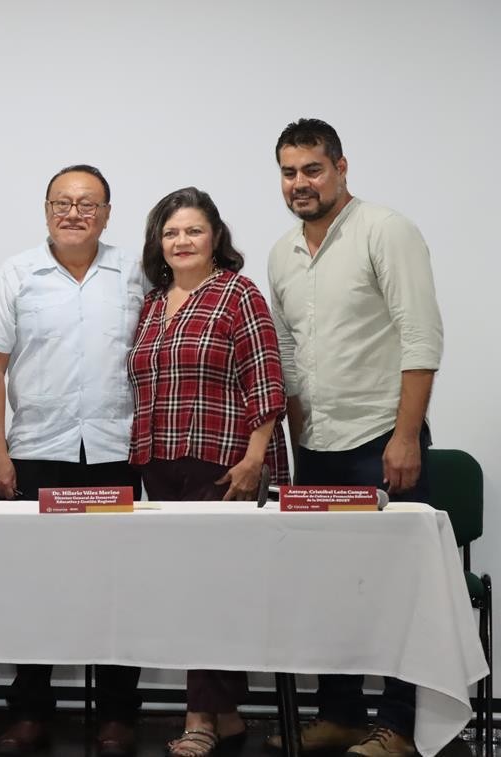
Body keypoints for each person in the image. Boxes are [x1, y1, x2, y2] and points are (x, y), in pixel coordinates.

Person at [265, 119, 443, 757]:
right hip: (315, 445)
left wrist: (406, 436)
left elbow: (421, 335)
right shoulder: (282, 251)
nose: (300, 183)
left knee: (395, 587)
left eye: (312, 169)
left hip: (379, 439)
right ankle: (339, 713)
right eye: (289, 171)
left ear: (341, 167)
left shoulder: (384, 230)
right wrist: (287, 442)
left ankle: (396, 726)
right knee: (331, 586)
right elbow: (286, 354)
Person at [0, 164, 149, 757]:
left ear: (107, 212)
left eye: (88, 203)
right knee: (37, 587)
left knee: (117, 588)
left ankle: (118, 716)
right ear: (46, 209)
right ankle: (29, 712)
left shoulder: (136, 273)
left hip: (115, 451)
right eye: (62, 202)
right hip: (38, 453)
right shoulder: (18, 273)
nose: (74, 213)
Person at [127, 186, 289, 757]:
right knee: (186, 590)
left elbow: (267, 380)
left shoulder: (237, 294)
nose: (181, 241)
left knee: (211, 591)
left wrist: (254, 459)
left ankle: (198, 717)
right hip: (158, 462)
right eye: (171, 232)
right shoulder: (151, 304)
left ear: (215, 236)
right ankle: (228, 716)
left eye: (193, 230)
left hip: (223, 462)